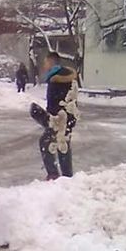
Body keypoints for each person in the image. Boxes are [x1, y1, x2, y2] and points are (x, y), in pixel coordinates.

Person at [32, 52, 78, 180]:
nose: (44, 65)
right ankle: (67, 176)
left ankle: (54, 175)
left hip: (60, 119)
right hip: (66, 117)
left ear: (51, 62)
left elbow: (59, 101)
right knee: (62, 144)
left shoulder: (57, 79)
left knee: (46, 142)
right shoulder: (63, 76)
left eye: (45, 62)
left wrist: (52, 118)